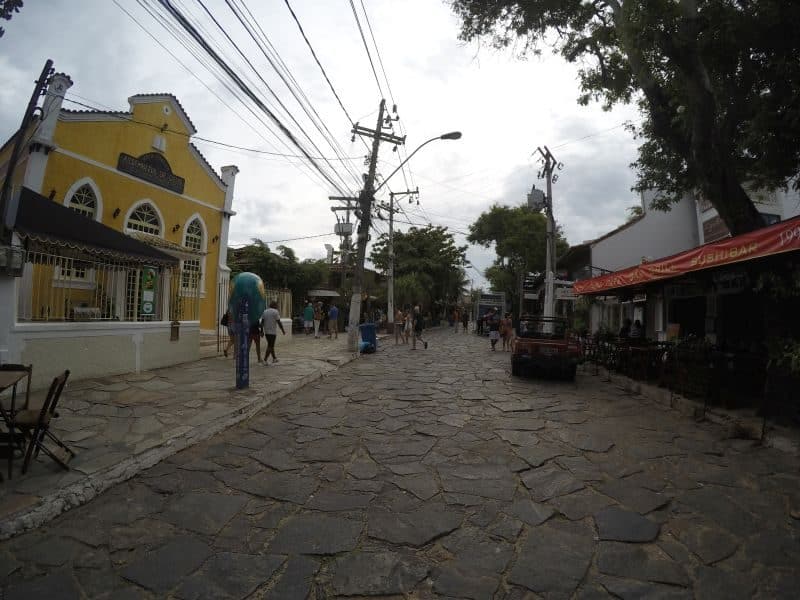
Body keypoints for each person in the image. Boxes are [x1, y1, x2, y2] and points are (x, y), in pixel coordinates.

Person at [260, 300, 286, 365]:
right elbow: (279, 322)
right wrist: (282, 330)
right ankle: (265, 360)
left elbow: (262, 322)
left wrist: (261, 331)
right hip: (272, 332)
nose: (277, 306)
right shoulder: (275, 312)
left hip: (266, 331)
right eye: (276, 305)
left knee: (270, 345)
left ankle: (274, 358)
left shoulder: (265, 311)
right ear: (274, 305)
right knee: (270, 345)